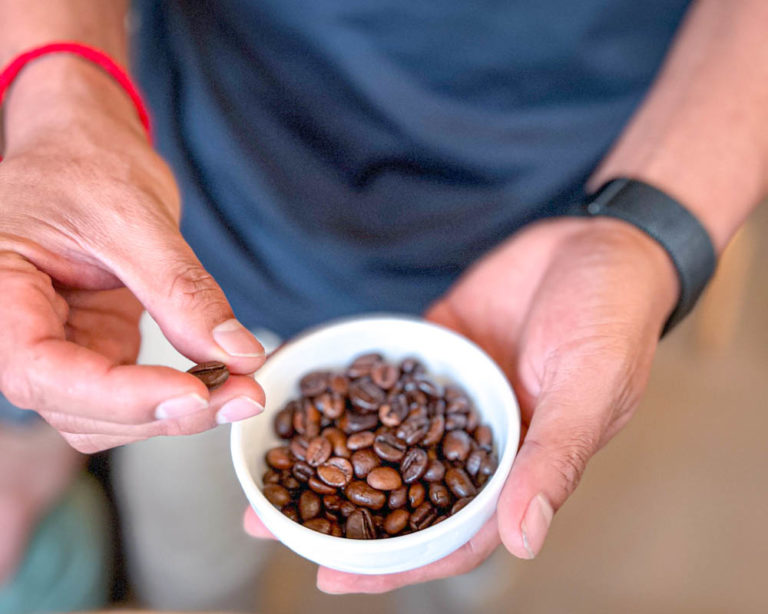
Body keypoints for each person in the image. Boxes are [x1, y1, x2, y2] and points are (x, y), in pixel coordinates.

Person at [0, 0, 766, 606]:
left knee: (461, 566)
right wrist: (62, 98)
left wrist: (649, 230)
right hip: (185, 238)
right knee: (192, 559)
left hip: (550, 272)